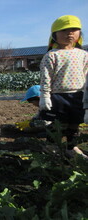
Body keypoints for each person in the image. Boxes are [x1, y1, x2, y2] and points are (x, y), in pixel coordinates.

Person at [39, 15, 88, 159]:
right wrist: (45, 95)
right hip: (58, 96)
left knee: (74, 123)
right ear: (54, 35)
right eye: (64, 30)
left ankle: (71, 147)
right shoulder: (51, 56)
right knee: (57, 124)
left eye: (74, 30)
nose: (70, 33)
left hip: (78, 95)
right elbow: (46, 77)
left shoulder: (84, 55)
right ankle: (51, 146)